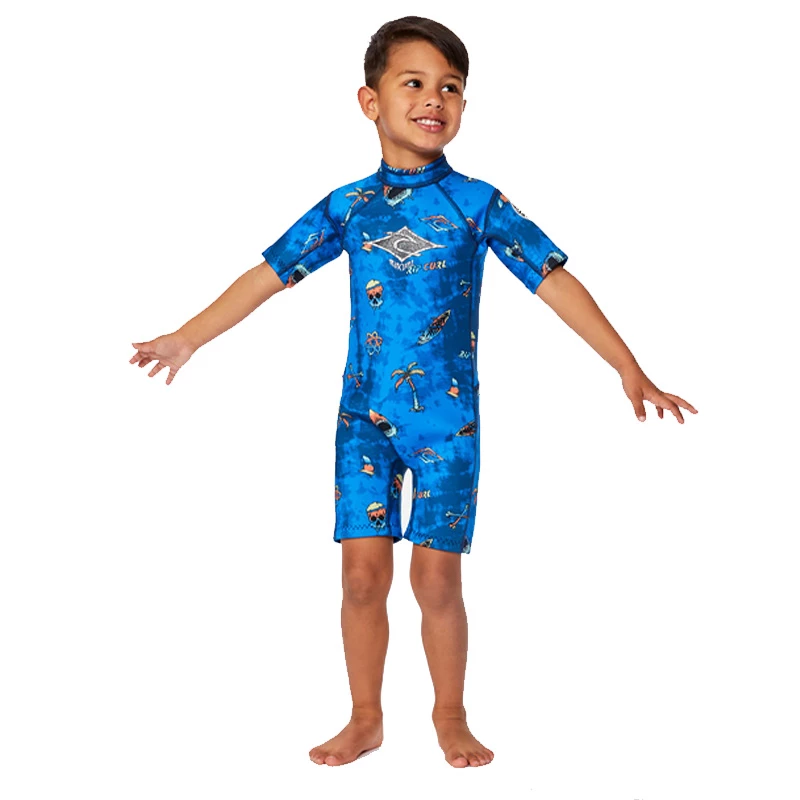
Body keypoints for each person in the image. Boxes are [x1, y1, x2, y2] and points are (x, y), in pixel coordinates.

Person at [130, 16, 698, 769]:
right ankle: (365, 717)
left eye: (451, 88)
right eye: (415, 83)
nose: (435, 99)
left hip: (447, 428)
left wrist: (627, 366)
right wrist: (187, 337)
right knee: (361, 577)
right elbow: (266, 275)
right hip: (362, 420)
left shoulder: (475, 203)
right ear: (370, 101)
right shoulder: (349, 207)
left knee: (436, 580)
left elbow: (555, 282)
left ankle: (450, 714)